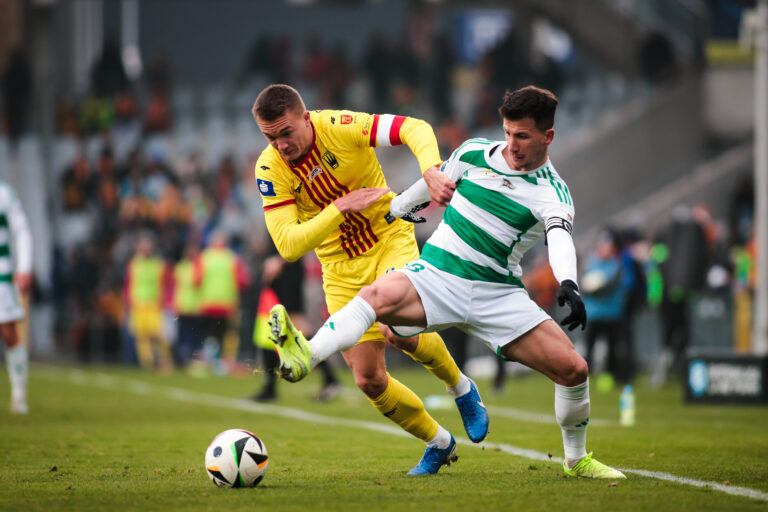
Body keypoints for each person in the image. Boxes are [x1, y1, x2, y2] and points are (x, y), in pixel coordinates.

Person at [269, 86, 625, 479]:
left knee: (574, 369)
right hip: (438, 277)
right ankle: (307, 356)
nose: (512, 145)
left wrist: (569, 282)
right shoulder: (474, 153)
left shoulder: (553, 193)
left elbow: (559, 237)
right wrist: (399, 208)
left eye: (522, 136)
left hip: (498, 295)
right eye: (507, 133)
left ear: (548, 137)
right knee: (377, 299)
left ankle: (576, 460)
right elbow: (432, 184)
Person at [252, 84, 488, 475]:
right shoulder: (269, 168)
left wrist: (430, 169)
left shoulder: (340, 126)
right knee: (368, 379)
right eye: (269, 137)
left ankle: (461, 388)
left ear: (305, 118)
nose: (279, 145)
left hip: (387, 240)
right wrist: (339, 208)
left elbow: (414, 127)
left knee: (396, 327)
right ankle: (439, 443)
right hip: (340, 268)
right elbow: (288, 245)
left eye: (285, 133)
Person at [250, 253, 340, 402]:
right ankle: (270, 388)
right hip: (280, 273)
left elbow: (299, 237)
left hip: (287, 271)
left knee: (296, 326)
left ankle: (330, 378)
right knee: (270, 328)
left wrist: (280, 260)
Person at [194, 230, 250, 372]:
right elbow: (243, 282)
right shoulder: (232, 258)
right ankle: (226, 363)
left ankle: (211, 362)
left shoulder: (203, 257)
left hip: (208, 304)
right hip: (228, 304)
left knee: (210, 335)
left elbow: (196, 280)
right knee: (228, 334)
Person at [0, 181, 32, 414]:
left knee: (8, 332)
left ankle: (19, 394)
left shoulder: (4, 193)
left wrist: (24, 267)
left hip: (1, 274)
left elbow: (21, 230)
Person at [124, 234, 172, 372]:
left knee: (158, 335)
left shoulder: (159, 264)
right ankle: (148, 363)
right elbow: (128, 285)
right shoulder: (134, 264)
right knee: (142, 336)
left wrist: (166, 301)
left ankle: (164, 360)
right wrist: (127, 304)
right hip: (138, 305)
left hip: (154, 305)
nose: (145, 249)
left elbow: (167, 284)